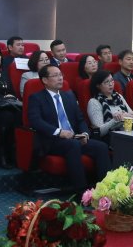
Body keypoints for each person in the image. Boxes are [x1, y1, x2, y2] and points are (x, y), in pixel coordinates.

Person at [27, 63, 110, 193]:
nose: (60, 78)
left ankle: (105, 189)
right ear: (45, 80)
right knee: (73, 145)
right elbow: (36, 121)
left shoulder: (69, 96)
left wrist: (85, 133)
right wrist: (59, 132)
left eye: (61, 75)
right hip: (52, 140)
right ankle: (81, 191)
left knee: (101, 147)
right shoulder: (36, 98)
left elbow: (80, 119)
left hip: (74, 138)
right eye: (55, 75)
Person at [87, 70, 133, 137]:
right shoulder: (94, 102)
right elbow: (99, 131)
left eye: (112, 80)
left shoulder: (118, 96)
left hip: (128, 132)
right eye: (106, 82)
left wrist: (126, 115)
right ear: (98, 85)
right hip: (111, 136)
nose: (111, 84)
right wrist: (115, 120)